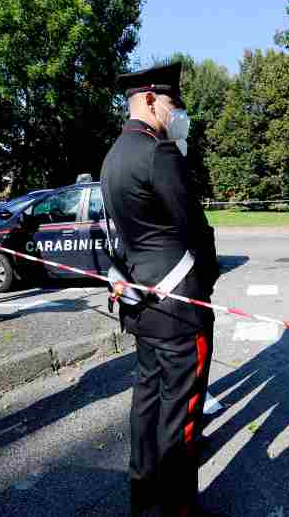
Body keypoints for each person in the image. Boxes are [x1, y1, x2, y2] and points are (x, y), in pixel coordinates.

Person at [100, 62, 221, 517]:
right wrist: (206, 279)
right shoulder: (160, 153)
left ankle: (143, 492)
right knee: (182, 413)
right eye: (173, 105)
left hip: (141, 303)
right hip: (178, 306)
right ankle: (177, 507)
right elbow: (193, 227)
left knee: (146, 401)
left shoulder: (114, 154)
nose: (177, 114)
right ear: (150, 100)